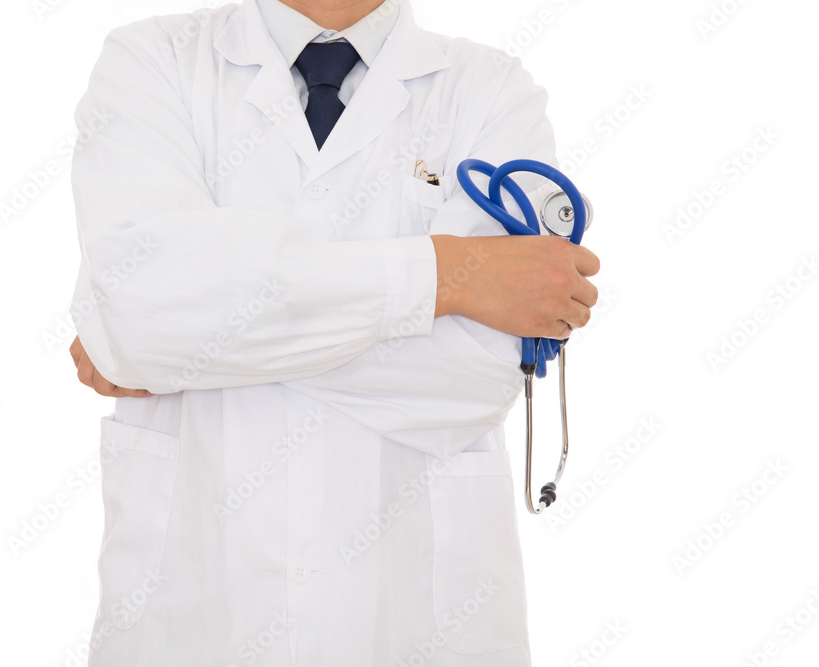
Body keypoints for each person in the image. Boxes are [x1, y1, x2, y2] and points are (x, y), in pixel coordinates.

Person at [67, 0, 599, 664]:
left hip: (415, 624)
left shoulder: (490, 92)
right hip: (194, 625)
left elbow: (479, 367)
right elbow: (145, 309)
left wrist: (189, 341)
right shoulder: (153, 64)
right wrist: (447, 274)